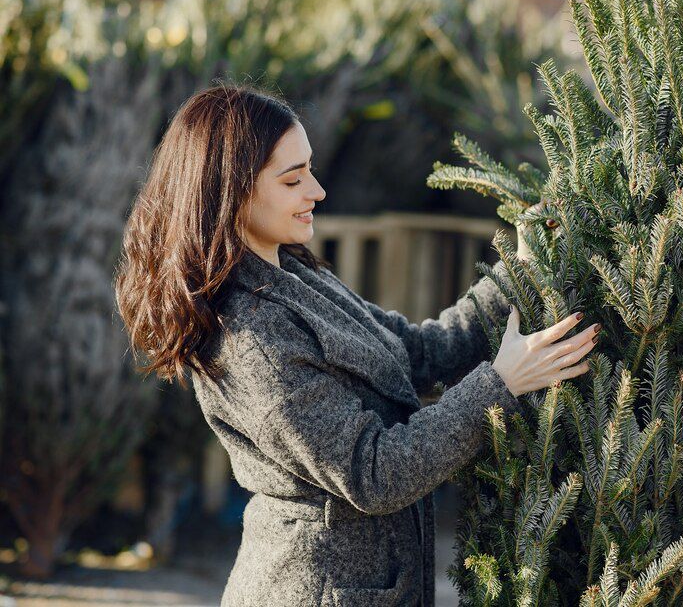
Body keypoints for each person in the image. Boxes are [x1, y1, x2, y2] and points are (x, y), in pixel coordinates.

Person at [114, 83, 600, 606]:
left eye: (311, 170)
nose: (317, 191)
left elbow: (419, 351)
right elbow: (372, 471)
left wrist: (519, 270)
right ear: (229, 192)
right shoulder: (250, 338)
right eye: (293, 179)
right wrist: (500, 385)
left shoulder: (292, 273)